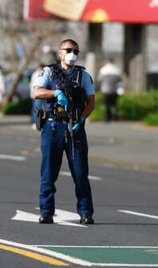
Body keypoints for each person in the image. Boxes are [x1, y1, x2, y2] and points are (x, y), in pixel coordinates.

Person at [32, 39, 96, 225]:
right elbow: (37, 92)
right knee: (48, 173)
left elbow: (91, 103)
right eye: (68, 50)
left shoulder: (83, 76)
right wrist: (55, 93)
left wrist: (81, 119)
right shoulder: (49, 72)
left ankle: (85, 212)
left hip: (74, 127)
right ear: (60, 52)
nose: (72, 54)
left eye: (76, 51)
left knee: (80, 173)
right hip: (53, 127)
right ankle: (46, 211)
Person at [98, 58, 123, 122]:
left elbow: (99, 79)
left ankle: (107, 118)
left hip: (105, 90)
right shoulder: (117, 70)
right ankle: (115, 117)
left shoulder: (103, 69)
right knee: (114, 104)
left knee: (107, 105)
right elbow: (120, 80)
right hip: (114, 89)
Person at [30, 64, 44, 128]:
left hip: (36, 94)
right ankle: (35, 122)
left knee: (35, 109)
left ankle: (34, 122)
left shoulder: (34, 74)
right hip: (37, 94)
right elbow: (34, 85)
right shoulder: (37, 74)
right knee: (37, 109)